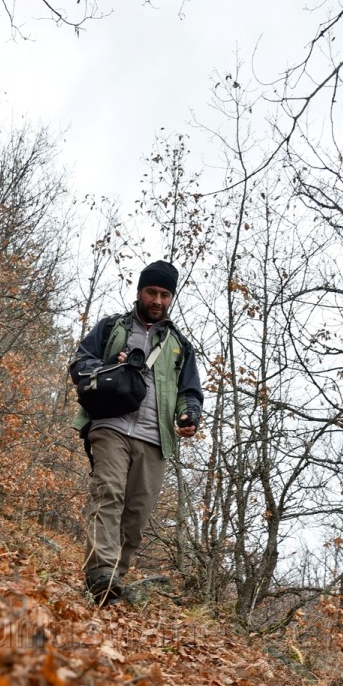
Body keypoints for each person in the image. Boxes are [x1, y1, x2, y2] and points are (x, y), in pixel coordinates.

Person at [69, 260, 203, 606]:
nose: (157, 300)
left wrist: (189, 414)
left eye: (164, 294)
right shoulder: (111, 327)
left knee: (136, 515)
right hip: (109, 425)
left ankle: (115, 579)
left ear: (171, 298)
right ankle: (101, 575)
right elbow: (80, 364)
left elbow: (190, 391)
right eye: (151, 292)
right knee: (108, 494)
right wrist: (113, 366)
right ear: (140, 291)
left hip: (154, 437)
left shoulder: (180, 346)